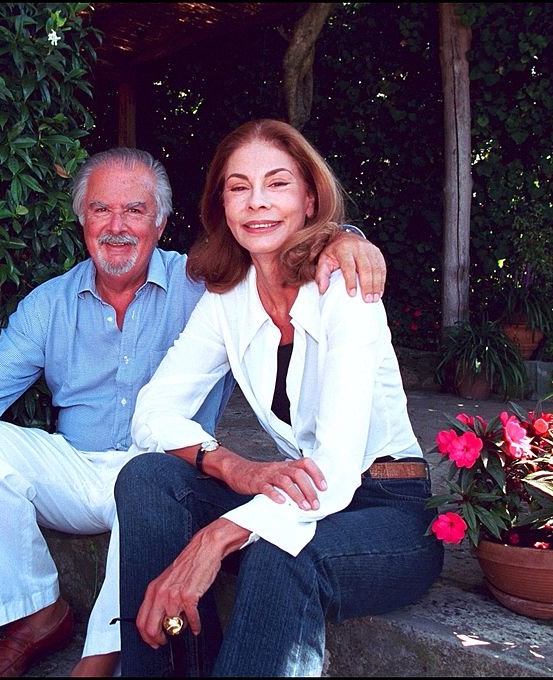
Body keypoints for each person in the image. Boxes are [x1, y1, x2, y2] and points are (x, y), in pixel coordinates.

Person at [0, 146, 387, 677]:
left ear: (161, 222)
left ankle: (102, 655)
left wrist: (345, 240)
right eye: (101, 209)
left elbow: (274, 256)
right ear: (81, 219)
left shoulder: (205, 284)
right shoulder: (50, 304)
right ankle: (35, 618)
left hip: (164, 474)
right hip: (76, 471)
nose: (117, 226)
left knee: (144, 480)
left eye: (134, 210)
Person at [116, 120, 443, 676]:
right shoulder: (228, 298)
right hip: (300, 500)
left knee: (280, 550)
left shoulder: (345, 284)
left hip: (385, 511)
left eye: (278, 183)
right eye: (239, 187)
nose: (257, 202)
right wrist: (231, 467)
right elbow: (152, 412)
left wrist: (214, 540)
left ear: (310, 198)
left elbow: (337, 470)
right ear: (222, 205)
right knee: (147, 479)